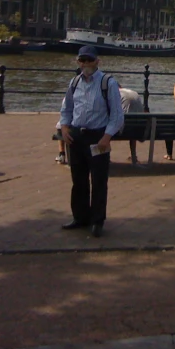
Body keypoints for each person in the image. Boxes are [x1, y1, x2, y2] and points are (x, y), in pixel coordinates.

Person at [59, 46, 124, 238]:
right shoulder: (75, 82)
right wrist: (64, 127)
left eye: (89, 60)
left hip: (97, 136)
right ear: (78, 62)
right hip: (77, 136)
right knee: (78, 180)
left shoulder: (107, 83)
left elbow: (117, 114)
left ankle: (97, 220)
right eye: (82, 61)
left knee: (98, 180)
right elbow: (67, 107)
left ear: (97, 61)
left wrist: (107, 136)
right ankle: (80, 217)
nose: (86, 64)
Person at [119, 86, 145, 164]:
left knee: (106, 127)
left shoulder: (115, 93)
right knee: (132, 123)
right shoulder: (134, 92)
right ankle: (133, 156)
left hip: (124, 130)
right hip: (140, 129)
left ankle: (107, 156)